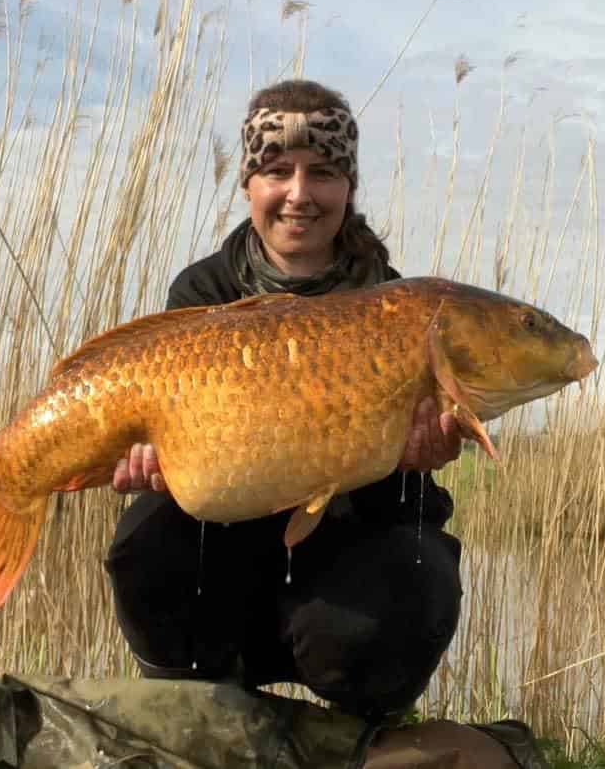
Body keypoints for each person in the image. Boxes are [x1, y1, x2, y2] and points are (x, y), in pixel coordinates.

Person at [104, 79, 465, 721]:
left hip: (345, 552)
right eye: (278, 171)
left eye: (323, 172)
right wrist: (146, 464)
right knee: (144, 541)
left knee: (417, 570)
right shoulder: (202, 290)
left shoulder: (399, 307)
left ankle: (363, 729)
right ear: (249, 185)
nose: (300, 194)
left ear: (348, 188)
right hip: (228, 548)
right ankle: (198, 712)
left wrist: (413, 461)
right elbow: (177, 453)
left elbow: (401, 505)